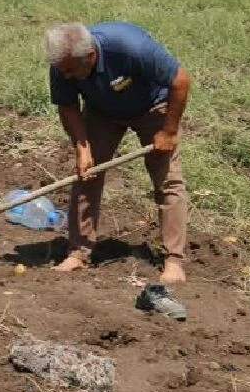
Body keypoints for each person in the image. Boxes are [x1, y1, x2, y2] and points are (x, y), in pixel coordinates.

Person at [45, 21, 191, 284]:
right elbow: (67, 106)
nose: (65, 76)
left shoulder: (129, 48)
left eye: (69, 71)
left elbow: (180, 81)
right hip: (102, 112)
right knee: (86, 174)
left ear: (90, 57)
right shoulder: (62, 65)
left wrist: (168, 132)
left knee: (168, 180)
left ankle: (174, 261)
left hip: (152, 106)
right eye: (61, 70)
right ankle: (78, 253)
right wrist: (82, 147)